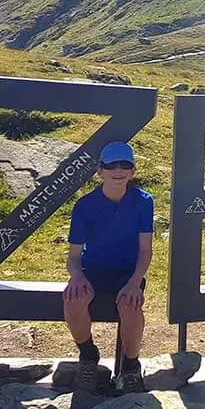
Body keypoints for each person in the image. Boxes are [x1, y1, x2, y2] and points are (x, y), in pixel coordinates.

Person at [63, 141, 154, 393]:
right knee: (73, 299)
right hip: (94, 269)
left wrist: (135, 282)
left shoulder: (143, 201)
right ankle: (88, 357)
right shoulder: (85, 206)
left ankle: (131, 367)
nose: (118, 170)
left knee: (131, 305)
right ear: (99, 171)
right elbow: (73, 256)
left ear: (132, 170)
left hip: (128, 270)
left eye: (124, 164)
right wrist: (77, 277)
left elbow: (145, 250)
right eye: (110, 165)